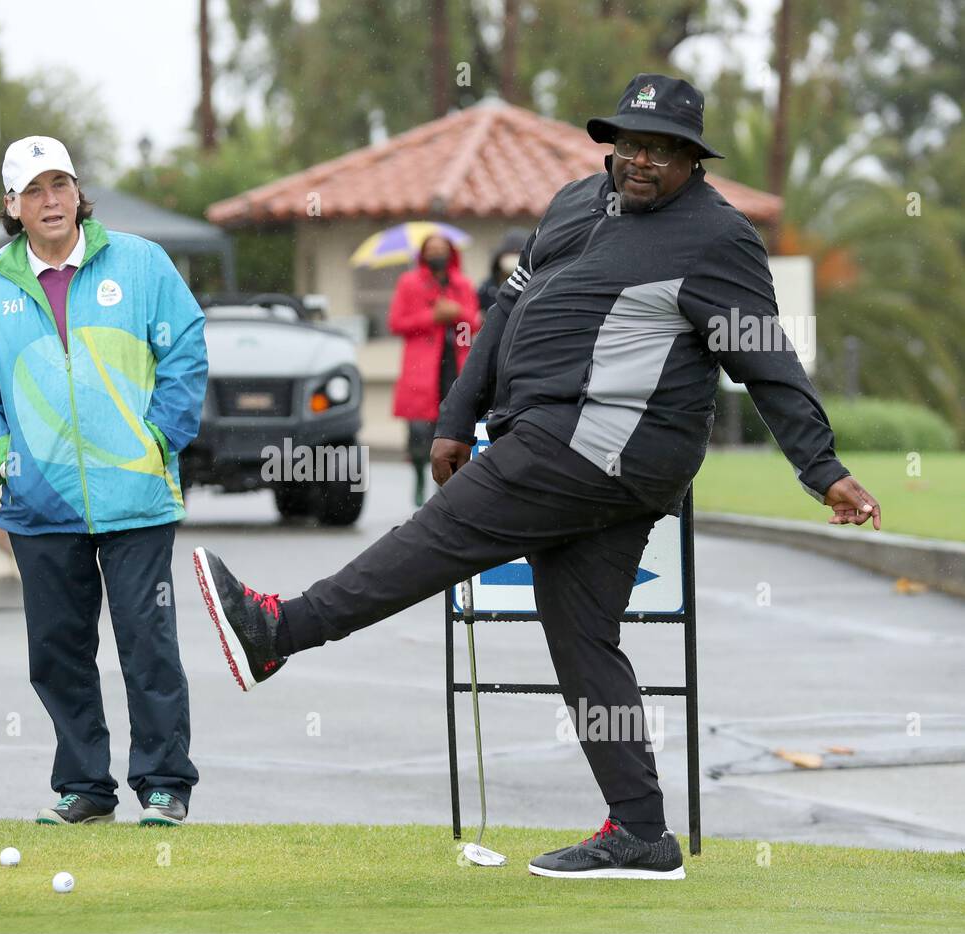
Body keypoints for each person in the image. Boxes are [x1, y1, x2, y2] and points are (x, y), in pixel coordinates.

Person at [192, 75, 882, 878]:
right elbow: (507, 314)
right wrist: (457, 416)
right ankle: (641, 833)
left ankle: (279, 631)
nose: (640, 161)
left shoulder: (716, 239)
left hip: (601, 446)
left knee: (436, 538)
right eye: (628, 143)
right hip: (561, 440)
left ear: (694, 159)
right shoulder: (573, 204)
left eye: (661, 150)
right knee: (584, 638)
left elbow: (767, 359)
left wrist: (820, 468)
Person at [0, 136, 208, 827]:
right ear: (12, 206)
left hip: (137, 497)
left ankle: (164, 782)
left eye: (60, 184)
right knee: (58, 652)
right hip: (39, 503)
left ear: (77, 192)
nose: (51, 200)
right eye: (34, 190)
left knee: (147, 643)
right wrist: (0, 454)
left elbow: (184, 346)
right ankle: (86, 787)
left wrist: (160, 438)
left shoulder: (140, 263)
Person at [387, 234, 480, 506]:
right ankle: (418, 476)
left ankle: (444, 486)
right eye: (432, 249)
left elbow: (473, 323)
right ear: (423, 254)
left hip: (454, 363)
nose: (437, 253)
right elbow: (397, 322)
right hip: (422, 368)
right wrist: (432, 317)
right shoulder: (410, 282)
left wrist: (456, 313)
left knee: (452, 428)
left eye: (442, 249)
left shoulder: (462, 283)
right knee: (418, 432)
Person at [476, 229, 528, 312]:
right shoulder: (487, 287)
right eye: (510, 253)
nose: (513, 258)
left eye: (518, 254)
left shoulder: (533, 287)